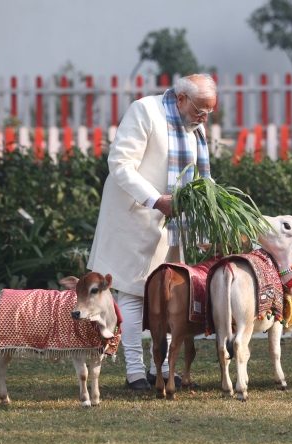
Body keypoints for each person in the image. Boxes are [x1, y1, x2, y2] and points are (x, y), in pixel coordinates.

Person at [87, 73, 216, 391]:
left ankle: (165, 369)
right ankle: (134, 373)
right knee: (133, 293)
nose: (203, 118)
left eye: (209, 112)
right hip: (135, 216)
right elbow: (120, 164)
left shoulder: (194, 127)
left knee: (169, 295)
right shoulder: (144, 110)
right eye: (200, 110)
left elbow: (200, 179)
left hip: (172, 224)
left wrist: (206, 218)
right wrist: (156, 199)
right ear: (181, 99)